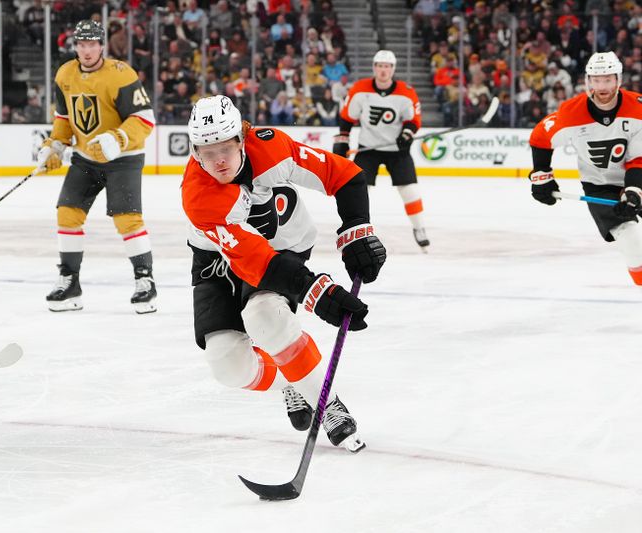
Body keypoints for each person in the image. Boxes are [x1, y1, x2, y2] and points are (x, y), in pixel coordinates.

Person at [181, 95, 387, 451]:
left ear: (241, 138)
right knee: (226, 364)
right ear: (195, 150)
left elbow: (345, 175)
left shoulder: (272, 149)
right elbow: (252, 260)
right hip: (217, 257)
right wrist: (317, 293)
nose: (218, 160)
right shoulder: (199, 195)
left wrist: (357, 229)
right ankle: (295, 381)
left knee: (265, 316)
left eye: (226, 148)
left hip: (284, 242)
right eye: (207, 150)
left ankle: (328, 405)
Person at [36, 20, 158, 313]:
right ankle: (69, 281)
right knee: (67, 213)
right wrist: (55, 145)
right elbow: (64, 119)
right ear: (75, 46)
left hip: (123, 160)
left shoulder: (120, 74)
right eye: (82, 45)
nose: (87, 50)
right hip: (86, 158)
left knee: (127, 220)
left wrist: (118, 138)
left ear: (102, 45)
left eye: (92, 44)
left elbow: (145, 118)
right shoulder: (65, 73)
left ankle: (146, 282)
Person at [529, 51, 642, 286]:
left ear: (618, 80)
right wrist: (542, 176)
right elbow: (541, 136)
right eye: (597, 80)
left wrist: (634, 190)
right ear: (588, 81)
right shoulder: (571, 112)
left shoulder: (638, 109)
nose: (602, 86)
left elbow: (637, 159)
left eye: (608, 79)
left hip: (637, 177)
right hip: (599, 185)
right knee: (632, 243)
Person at [333, 50, 430, 252]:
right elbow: (347, 118)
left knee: (409, 189)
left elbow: (413, 121)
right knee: (358, 190)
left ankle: (419, 228)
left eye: (387, 67)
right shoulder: (360, 89)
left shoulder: (406, 92)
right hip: (368, 148)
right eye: (380, 66)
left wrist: (407, 134)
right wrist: (343, 140)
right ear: (374, 67)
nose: (383, 70)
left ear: (393, 69)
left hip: (396, 150)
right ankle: (354, 230)